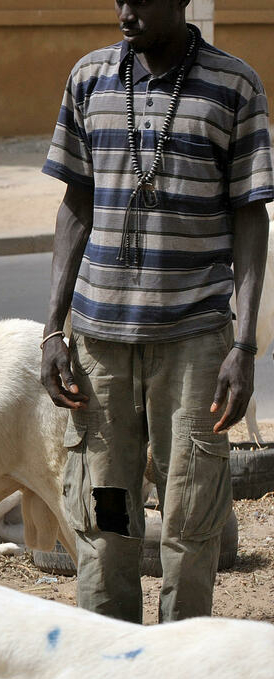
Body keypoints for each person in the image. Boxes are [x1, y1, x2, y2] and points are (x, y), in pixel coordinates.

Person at [41, 0, 272, 623]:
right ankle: (110, 668)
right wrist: (51, 332)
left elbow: (252, 218)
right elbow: (75, 205)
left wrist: (243, 346)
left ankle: (177, 676)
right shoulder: (89, 78)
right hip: (99, 352)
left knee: (189, 520)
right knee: (105, 519)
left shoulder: (234, 85)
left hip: (195, 347)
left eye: (142, 0)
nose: (126, 12)